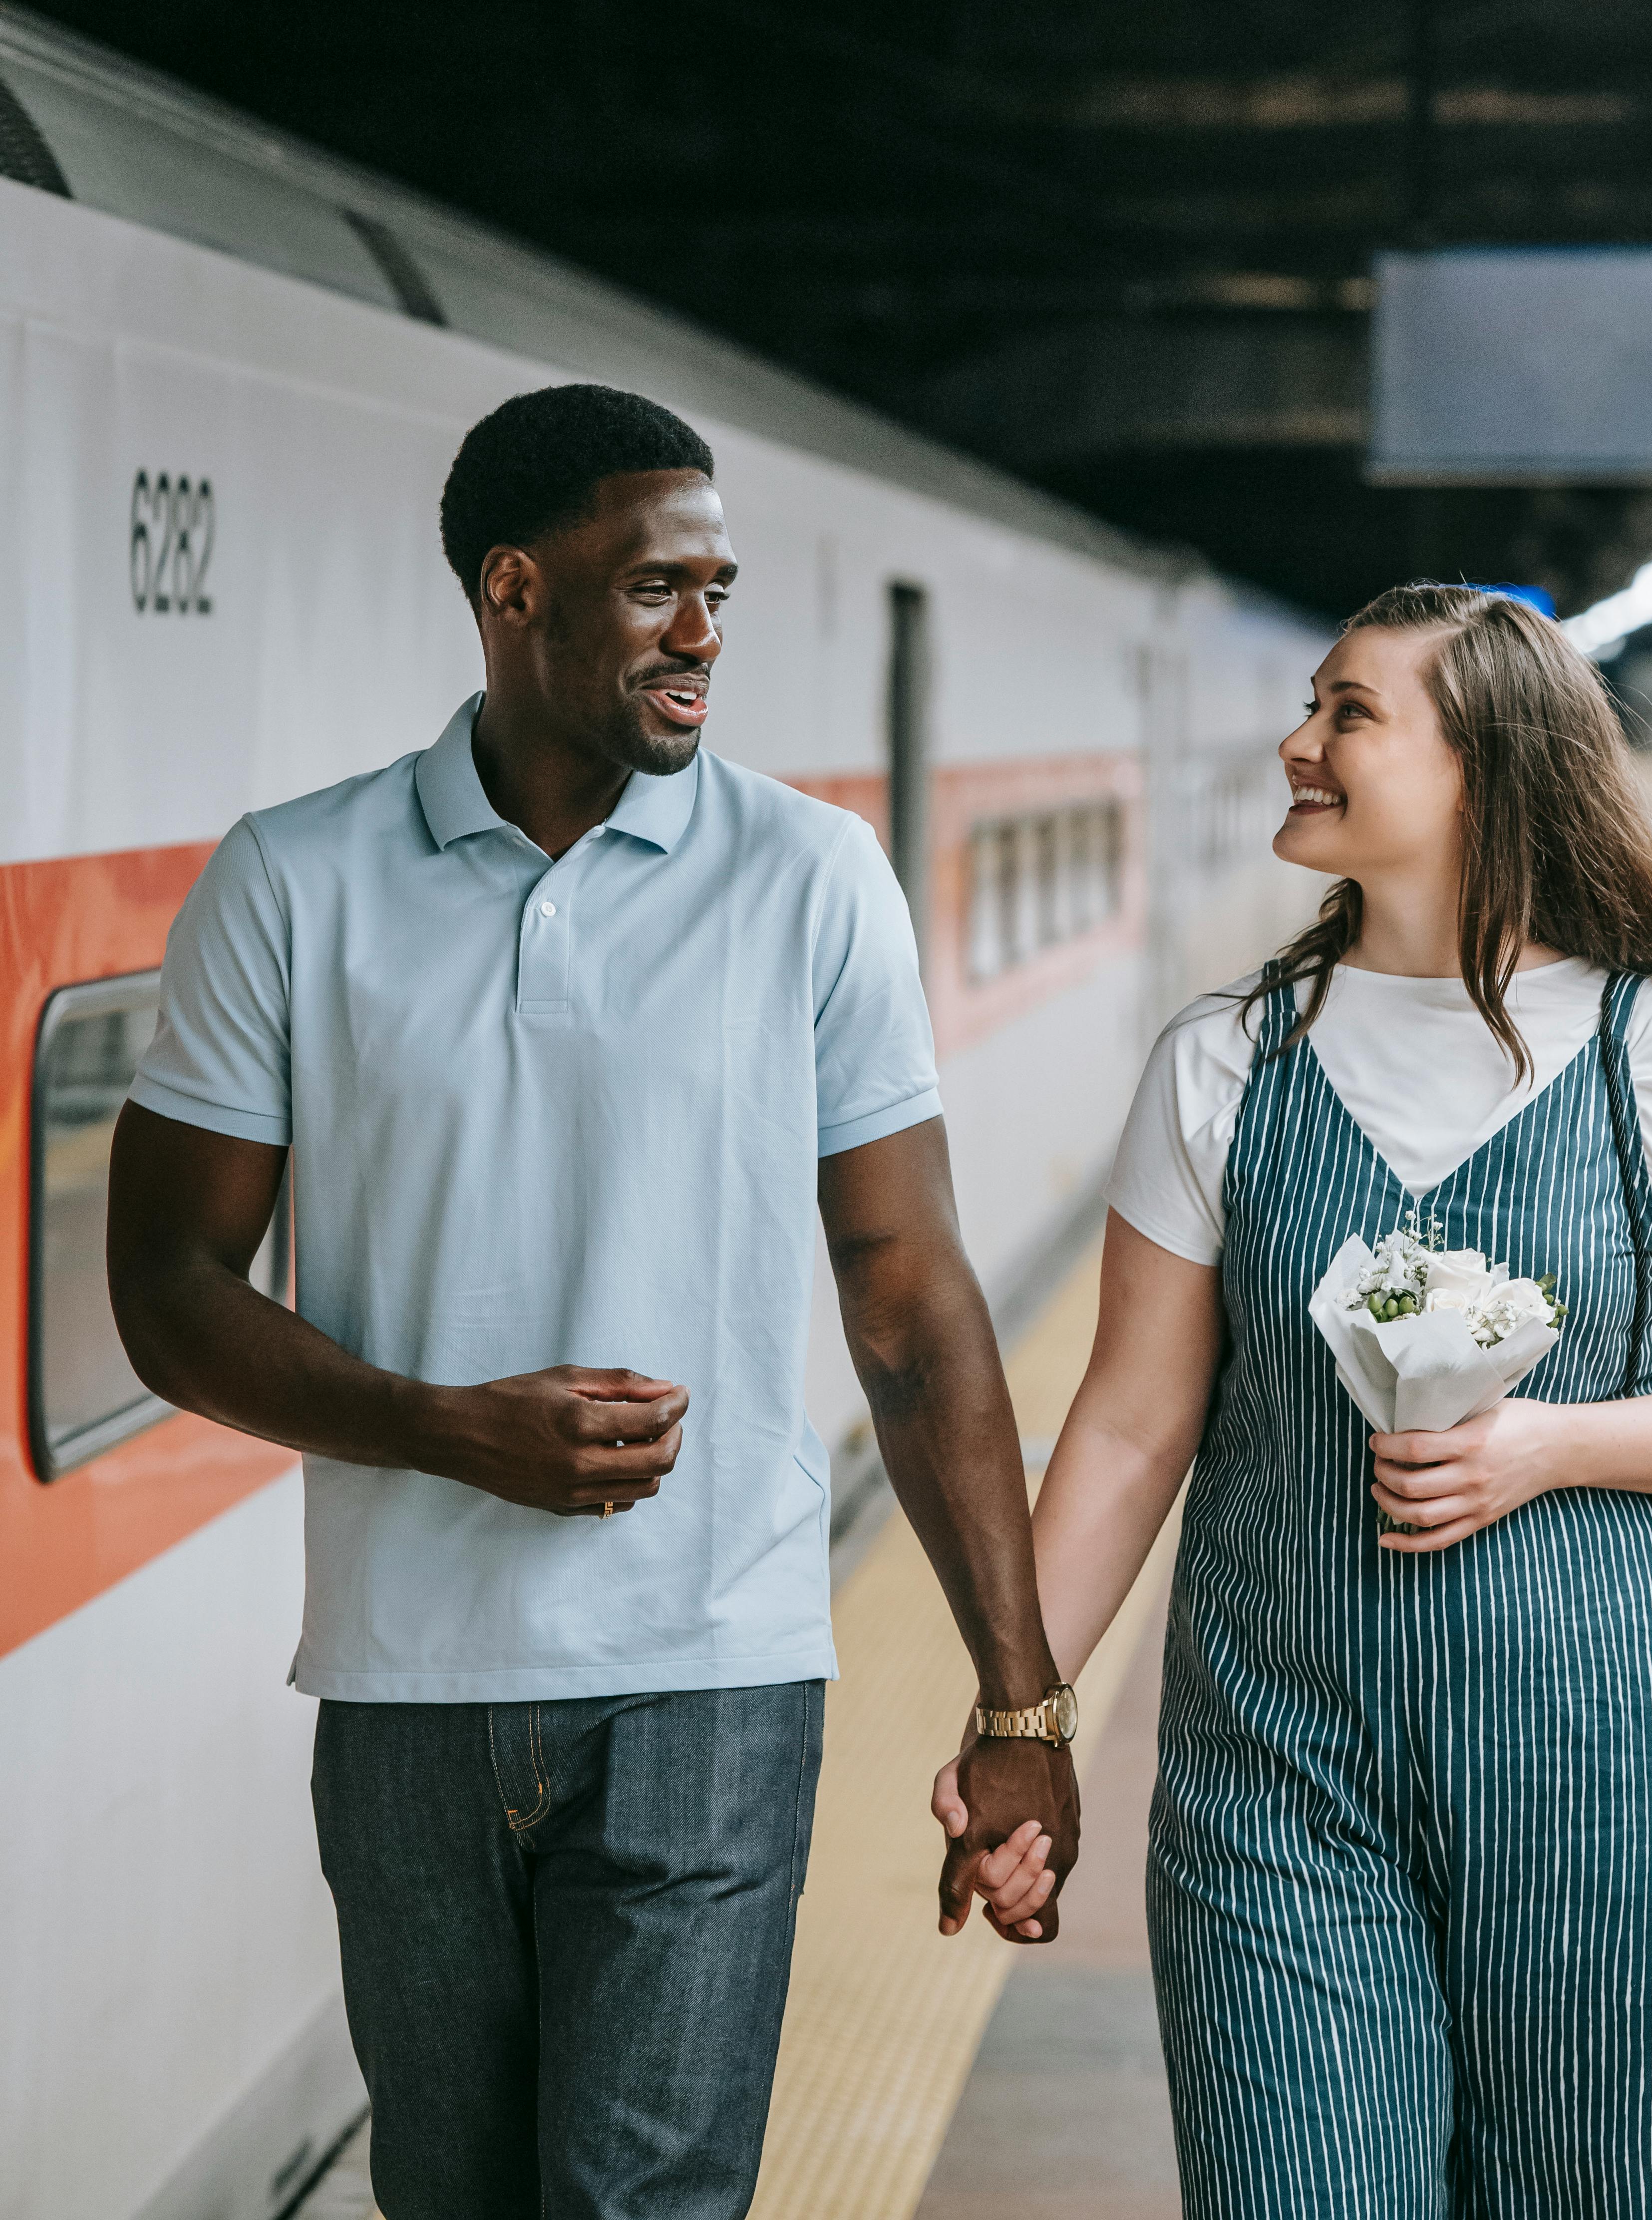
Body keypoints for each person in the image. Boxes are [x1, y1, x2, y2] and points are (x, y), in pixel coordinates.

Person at [108, 382, 1079, 2220]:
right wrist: (442, 1428)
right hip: (406, 1685)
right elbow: (162, 1287)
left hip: (713, 1676)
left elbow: (912, 1301)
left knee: (643, 2203)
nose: (705, 634)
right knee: (452, 2195)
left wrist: (1018, 1707)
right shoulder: (294, 879)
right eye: (656, 591)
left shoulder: (810, 879)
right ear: (514, 589)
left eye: (719, 590)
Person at [934, 582, 1652, 2217]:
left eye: (1348, 714)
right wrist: (1021, 1713)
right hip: (1282, 1771)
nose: (1297, 742)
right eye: (1311, 704)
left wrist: (1550, 1444)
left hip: (1616, 1778)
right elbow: (1135, 1427)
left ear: (1489, 769)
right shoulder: (1226, 1067)